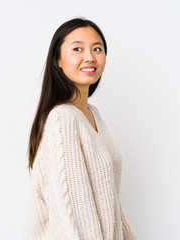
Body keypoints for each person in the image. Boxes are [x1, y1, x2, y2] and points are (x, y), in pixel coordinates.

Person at [26, 17, 139, 240]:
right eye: (77, 48)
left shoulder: (91, 114)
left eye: (97, 48)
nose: (90, 57)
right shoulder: (62, 118)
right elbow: (78, 214)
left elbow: (110, 204)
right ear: (57, 59)